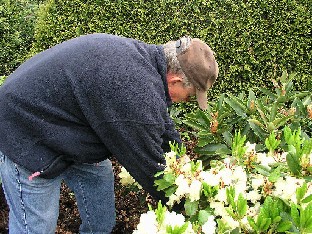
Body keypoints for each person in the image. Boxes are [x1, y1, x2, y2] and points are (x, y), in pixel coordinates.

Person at [0, 33, 218, 234]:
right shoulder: (134, 93)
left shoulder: (149, 65)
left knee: (101, 212)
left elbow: (163, 125)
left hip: (70, 126)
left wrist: (183, 162)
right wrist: (190, 206)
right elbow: (149, 169)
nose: (186, 101)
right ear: (175, 81)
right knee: (37, 226)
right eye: (189, 96)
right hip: (24, 130)